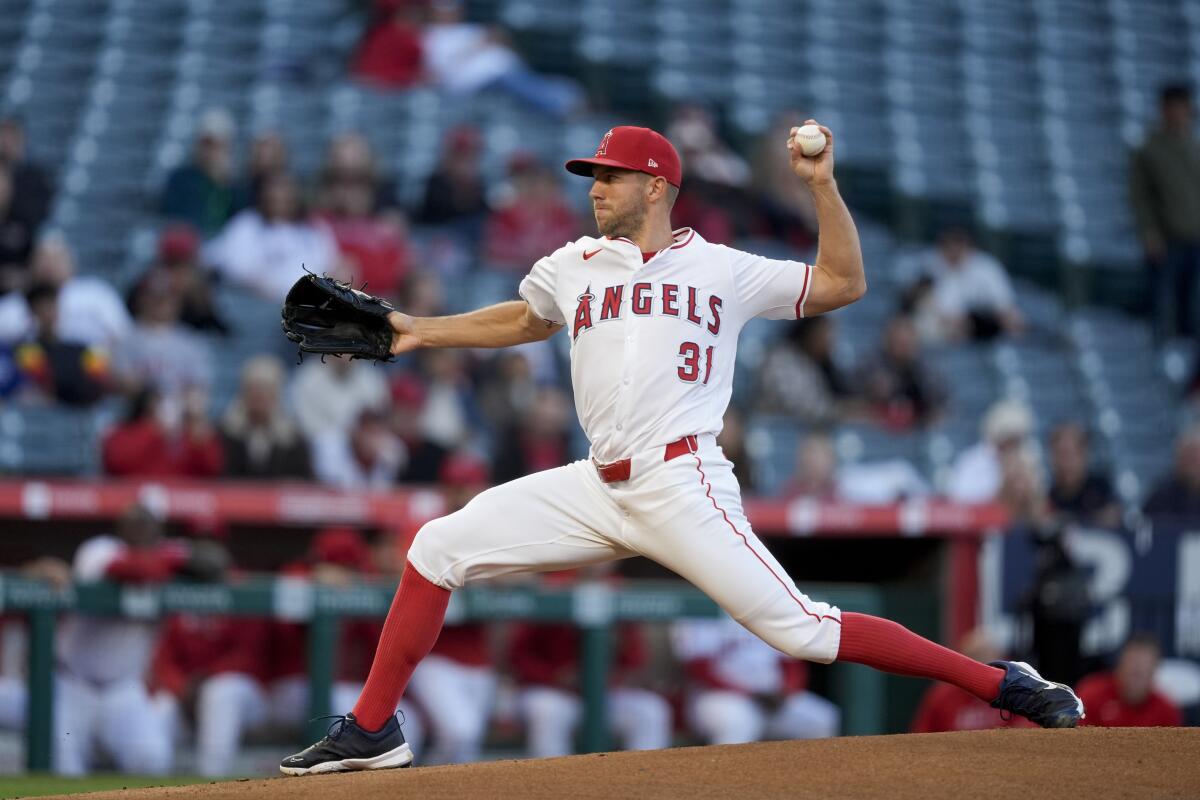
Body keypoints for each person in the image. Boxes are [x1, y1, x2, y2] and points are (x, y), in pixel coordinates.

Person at [280, 122, 1082, 776]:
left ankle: (1004, 683)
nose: (595, 188)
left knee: (802, 630)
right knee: (436, 547)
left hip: (682, 481)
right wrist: (419, 329)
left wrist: (820, 187)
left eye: (611, 175)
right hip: (596, 483)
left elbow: (842, 285)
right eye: (592, 175)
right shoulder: (573, 265)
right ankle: (374, 730)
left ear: (656, 185)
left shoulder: (723, 269)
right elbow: (523, 319)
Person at [55, 503, 185, 775]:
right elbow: (136, 569)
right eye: (133, 526)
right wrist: (179, 561)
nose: (140, 532)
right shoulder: (98, 550)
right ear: (120, 528)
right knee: (63, 768)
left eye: (146, 526)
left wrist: (179, 558)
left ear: (158, 531)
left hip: (124, 690)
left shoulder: (167, 553)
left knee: (152, 759)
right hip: (73, 684)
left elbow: (214, 561)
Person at [405, 454, 497, 764]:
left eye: (471, 486)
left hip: (480, 660)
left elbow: (529, 574)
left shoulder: (496, 529)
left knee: (466, 748)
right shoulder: (429, 529)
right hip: (434, 659)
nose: (465, 495)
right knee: (461, 732)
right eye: (458, 487)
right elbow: (399, 569)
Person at [672, 612, 839, 744]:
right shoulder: (702, 610)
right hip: (718, 697)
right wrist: (750, 694)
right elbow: (699, 670)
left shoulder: (768, 610)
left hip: (772, 698)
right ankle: (728, 782)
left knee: (821, 718)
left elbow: (792, 665)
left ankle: (810, 783)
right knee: (738, 722)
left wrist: (786, 692)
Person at [1129, 84, 1200, 339]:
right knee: (1163, 303)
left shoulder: (1194, 146)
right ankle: (1161, 356)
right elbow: (1140, 196)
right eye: (1173, 107)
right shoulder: (1150, 149)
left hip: (1196, 237)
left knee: (1194, 306)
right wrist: (1149, 232)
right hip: (1167, 239)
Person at [202, 171, 339, 302]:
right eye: (273, 191)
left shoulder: (314, 230)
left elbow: (330, 268)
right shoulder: (246, 224)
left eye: (285, 191)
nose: (279, 197)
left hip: (304, 309)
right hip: (252, 304)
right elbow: (226, 264)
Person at [910, 629, 1036, 733]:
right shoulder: (943, 696)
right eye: (973, 658)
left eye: (987, 660)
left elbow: (1031, 732)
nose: (980, 666)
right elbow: (922, 735)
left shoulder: (1017, 691)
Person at [11, 282, 111, 406]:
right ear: (32, 312)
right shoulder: (25, 351)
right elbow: (44, 386)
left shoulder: (81, 349)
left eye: (52, 306)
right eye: (42, 308)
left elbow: (98, 384)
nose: (48, 314)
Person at [917, 227, 1023, 342]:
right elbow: (921, 303)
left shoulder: (986, 267)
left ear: (967, 247)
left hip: (983, 327)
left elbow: (1006, 307)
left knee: (1014, 323)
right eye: (949, 247)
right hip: (940, 327)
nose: (954, 251)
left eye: (958, 246)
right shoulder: (930, 266)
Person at [482, 154, 581, 272]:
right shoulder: (505, 215)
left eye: (545, 184)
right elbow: (493, 254)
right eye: (531, 183)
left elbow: (573, 254)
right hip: (510, 277)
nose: (537, 190)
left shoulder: (564, 216)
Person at [219, 355, 312, 480]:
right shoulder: (226, 433)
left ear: (275, 394)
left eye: (265, 390)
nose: (258, 397)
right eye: (253, 389)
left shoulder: (292, 438)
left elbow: (306, 481)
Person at [127, 225, 228, 335]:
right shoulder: (143, 292)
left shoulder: (200, 301)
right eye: (169, 264)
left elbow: (223, 335)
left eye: (180, 265)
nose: (174, 273)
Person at [101, 387, 223, 478]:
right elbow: (117, 463)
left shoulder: (186, 434)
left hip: (182, 502)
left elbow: (212, 469)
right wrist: (154, 430)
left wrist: (200, 437)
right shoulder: (123, 432)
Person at [756, 315, 855, 425]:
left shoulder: (819, 362)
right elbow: (797, 406)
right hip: (779, 425)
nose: (829, 340)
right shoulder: (781, 359)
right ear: (809, 331)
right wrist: (841, 410)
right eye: (824, 333)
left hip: (810, 429)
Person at [856, 314, 945, 430]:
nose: (904, 347)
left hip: (917, 430)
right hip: (878, 429)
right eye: (899, 342)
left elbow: (941, 405)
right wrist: (873, 396)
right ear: (888, 340)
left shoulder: (927, 372)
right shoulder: (869, 367)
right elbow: (853, 404)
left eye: (907, 342)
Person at [160, 109, 239, 238]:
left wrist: (222, 184)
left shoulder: (236, 185)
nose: (211, 151)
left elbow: (239, 222)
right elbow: (176, 217)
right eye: (207, 144)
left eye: (217, 145)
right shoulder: (180, 180)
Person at [1077, 635, 1183, 728]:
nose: (1135, 676)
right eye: (1131, 670)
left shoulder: (1166, 711)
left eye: (1141, 673)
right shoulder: (1090, 695)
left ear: (1154, 671)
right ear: (1120, 665)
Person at [945, 399, 1036, 503]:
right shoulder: (972, 460)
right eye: (1009, 439)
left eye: (1017, 440)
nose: (1012, 446)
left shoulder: (1027, 458)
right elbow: (958, 496)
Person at [1045, 422, 1120, 528]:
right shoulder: (1048, 497)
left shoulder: (1101, 488)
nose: (1065, 462)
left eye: (1069, 454)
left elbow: (1113, 518)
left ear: (1084, 455)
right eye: (1059, 454)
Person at [1143, 425, 1200, 519]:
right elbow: (1146, 526)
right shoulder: (1161, 495)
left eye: (1195, 458)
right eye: (1187, 457)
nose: (1191, 465)